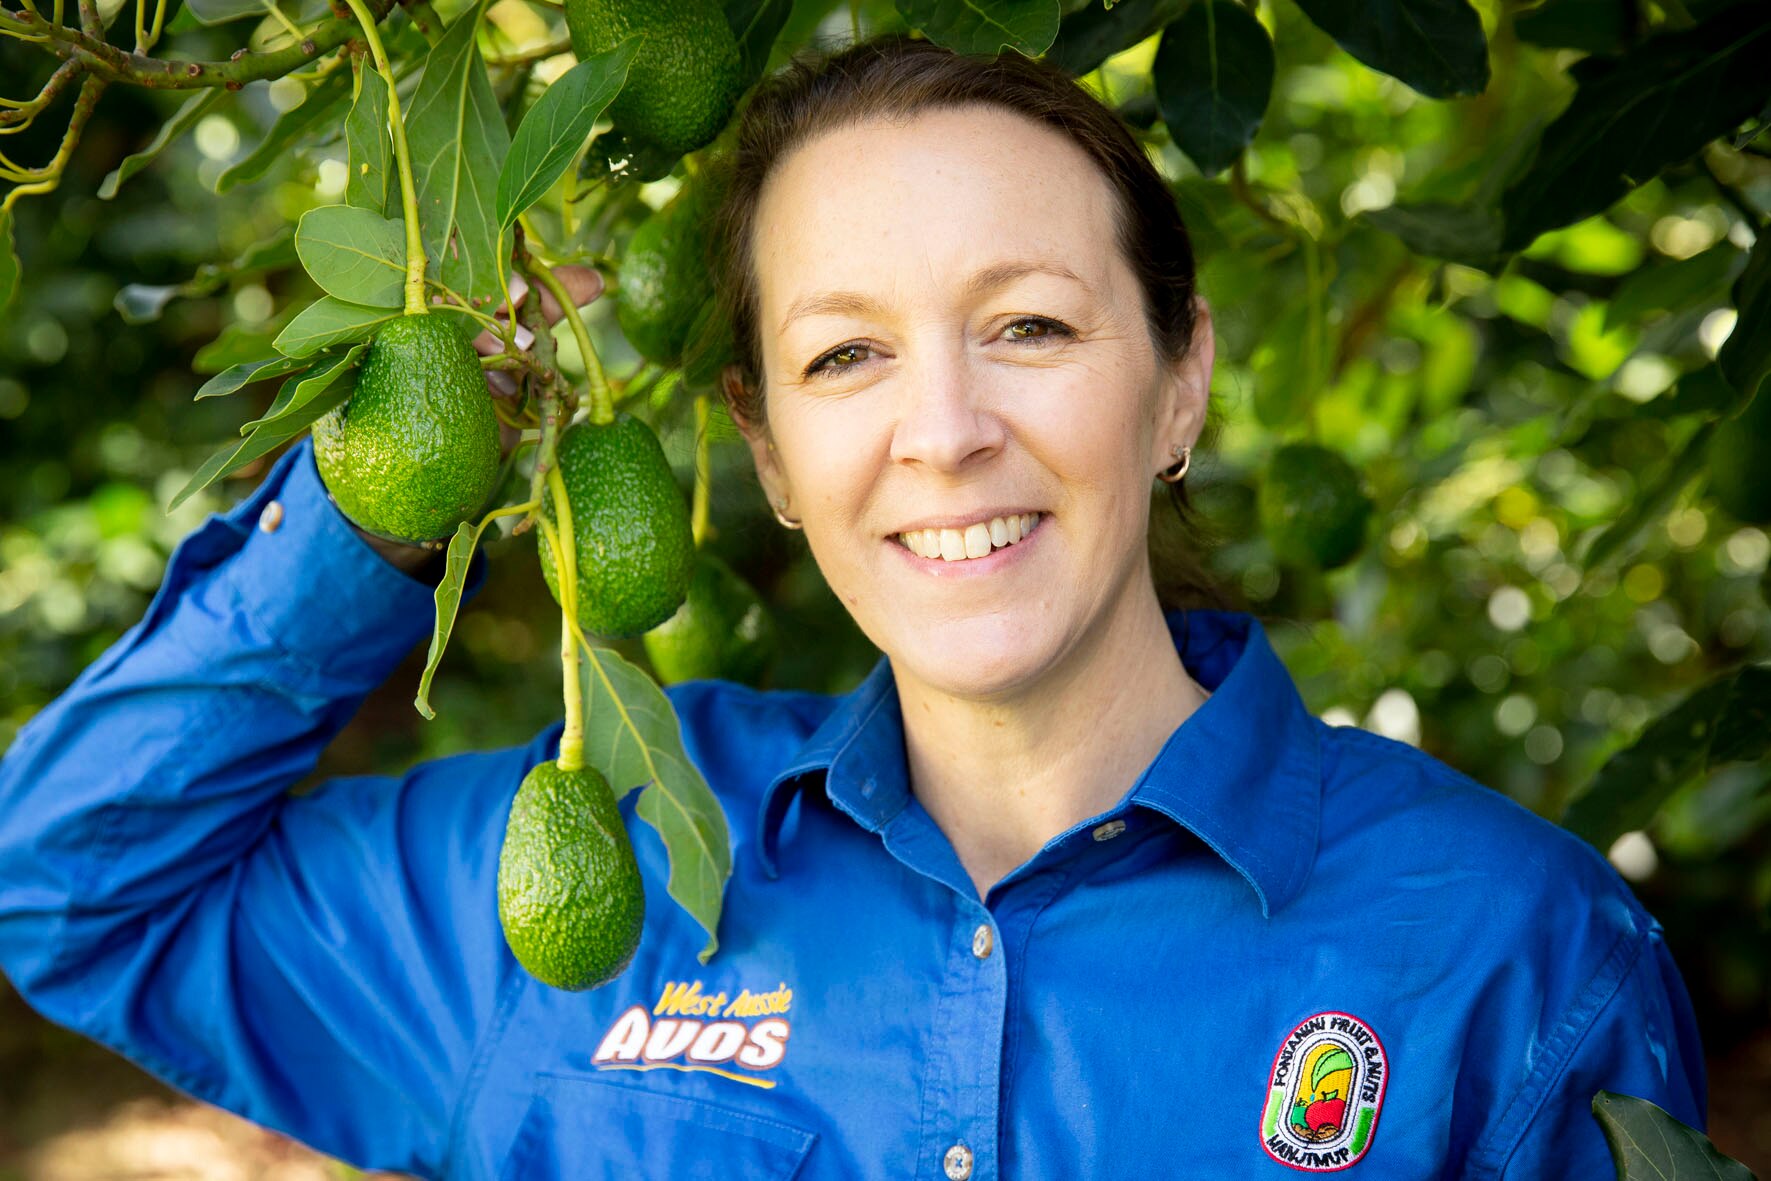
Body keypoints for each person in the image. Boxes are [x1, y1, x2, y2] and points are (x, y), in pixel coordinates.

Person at [0, 33, 1705, 1181]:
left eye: (1030, 325)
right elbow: (68, 886)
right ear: (768, 446)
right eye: (846, 355)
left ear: (1181, 384)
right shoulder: (593, 866)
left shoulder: (1513, 954)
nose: (945, 432)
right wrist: (394, 482)